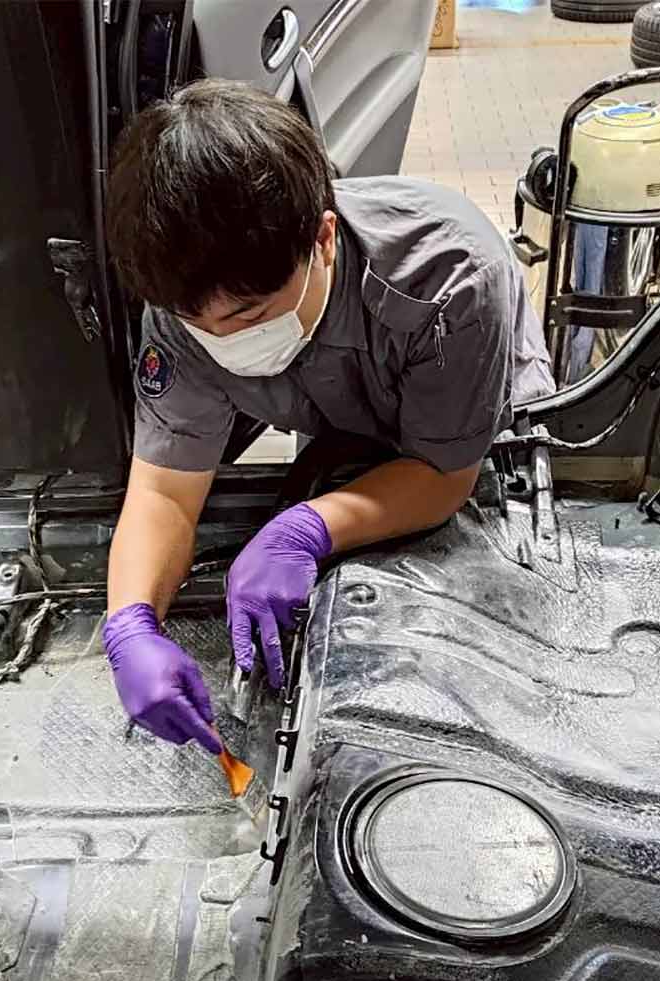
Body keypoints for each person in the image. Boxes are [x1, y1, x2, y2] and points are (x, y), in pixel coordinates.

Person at [103, 80, 554, 755]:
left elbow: (444, 473)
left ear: (322, 237)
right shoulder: (185, 300)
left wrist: (306, 529)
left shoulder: (451, 277)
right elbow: (165, 490)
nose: (220, 339)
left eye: (248, 318)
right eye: (197, 325)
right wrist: (131, 626)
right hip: (341, 424)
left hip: (474, 437)